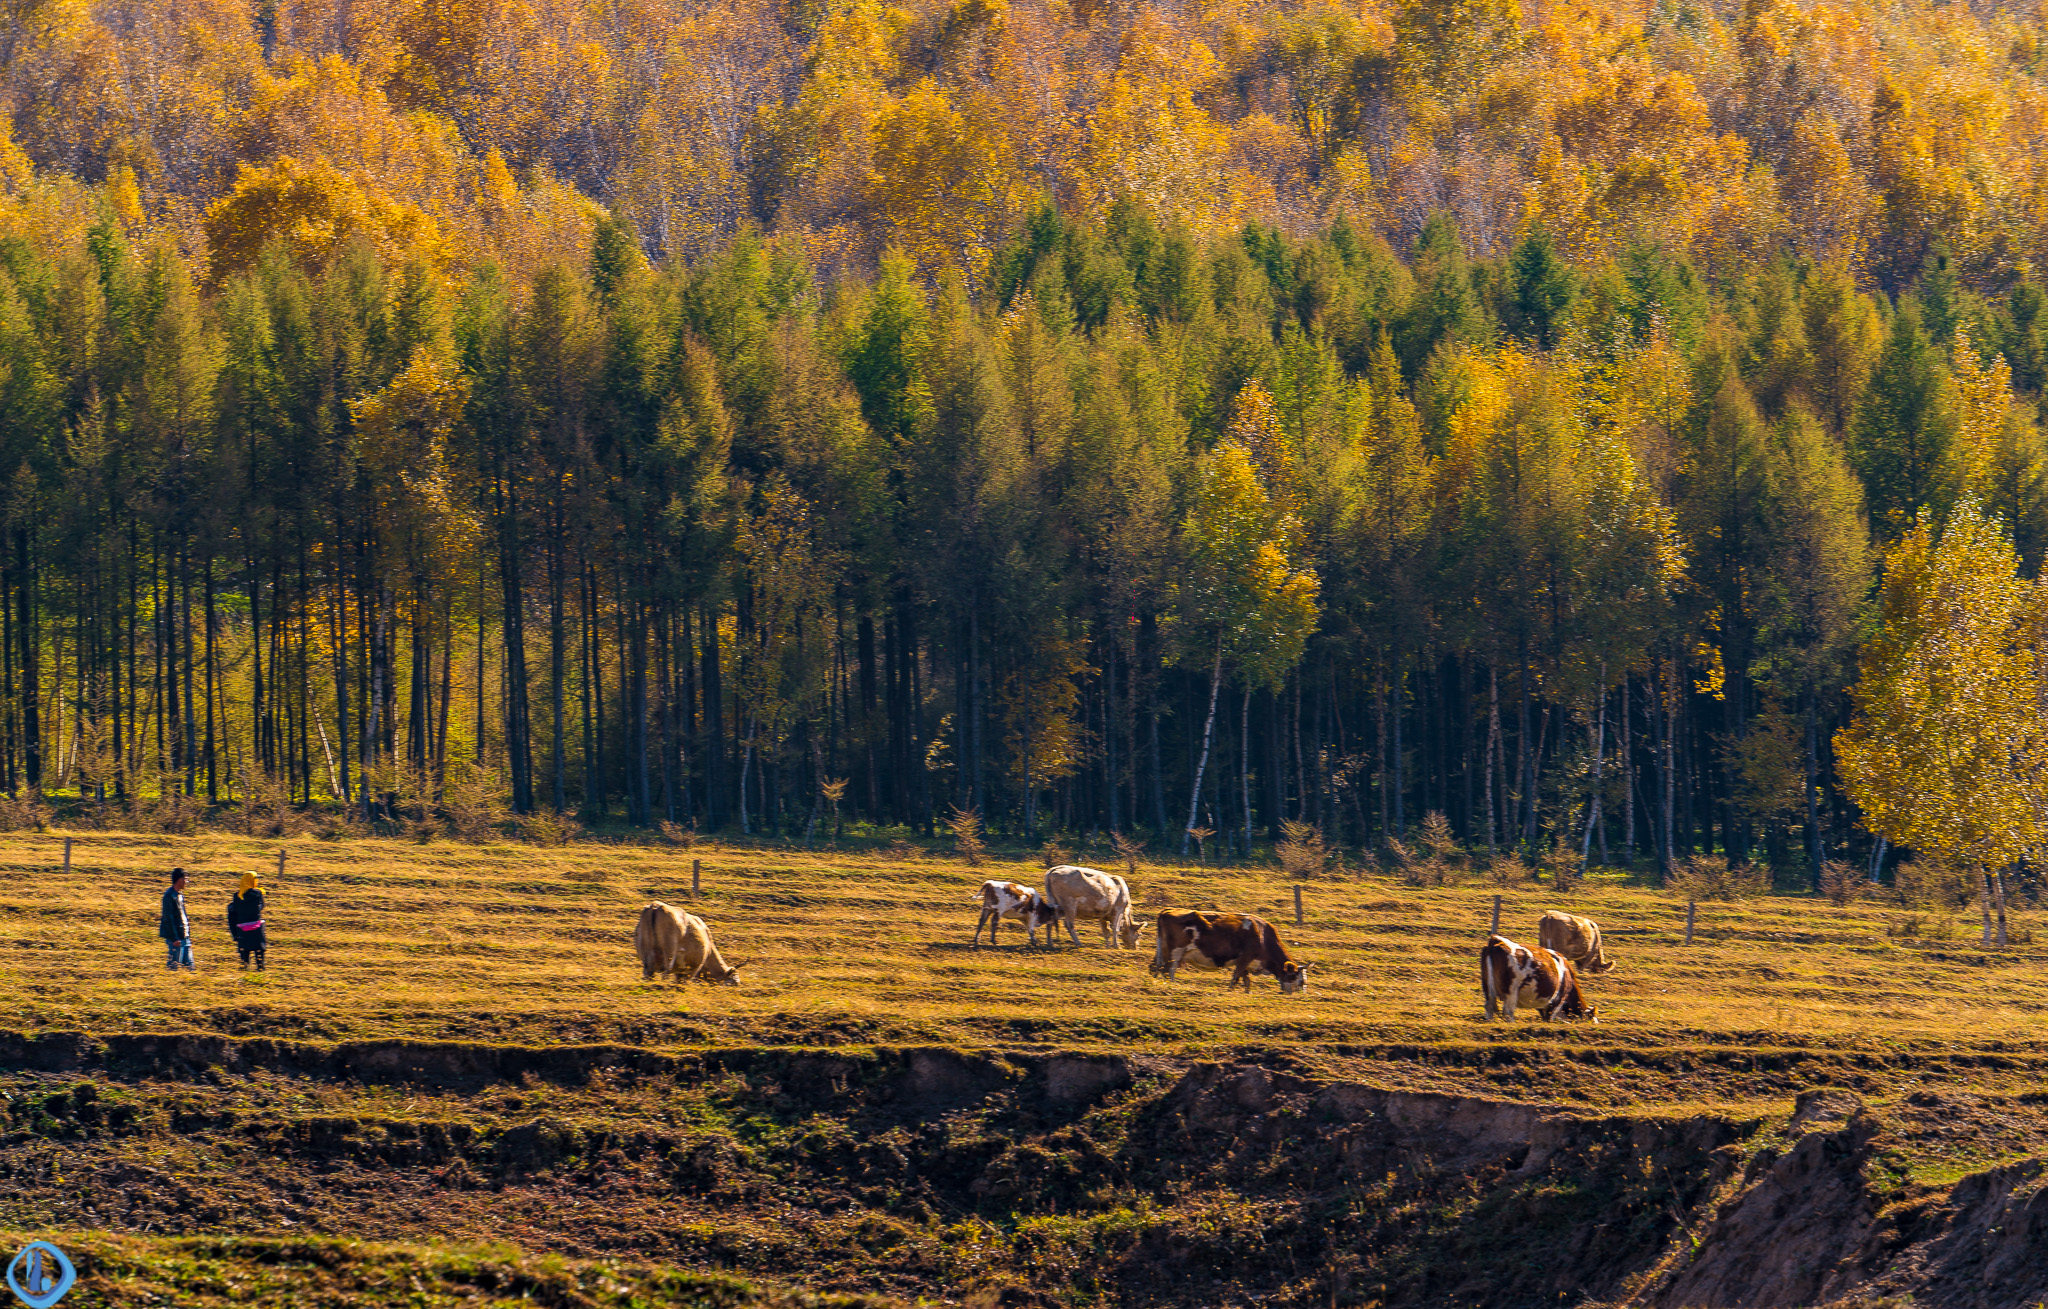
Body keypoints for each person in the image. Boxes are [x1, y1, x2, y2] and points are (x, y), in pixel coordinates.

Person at [227, 870, 267, 970]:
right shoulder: (257, 893)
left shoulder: (237, 896)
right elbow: (261, 906)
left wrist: (234, 934)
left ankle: (245, 969)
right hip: (256, 928)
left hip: (243, 930)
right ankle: (260, 968)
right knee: (259, 954)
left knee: (244, 957)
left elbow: (234, 913)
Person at [159, 868, 194, 971]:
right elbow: (168, 919)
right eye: (185, 879)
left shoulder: (179, 895)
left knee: (190, 968)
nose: (186, 882)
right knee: (173, 967)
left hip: (184, 936)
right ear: (179, 879)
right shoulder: (169, 896)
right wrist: (175, 938)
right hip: (177, 938)